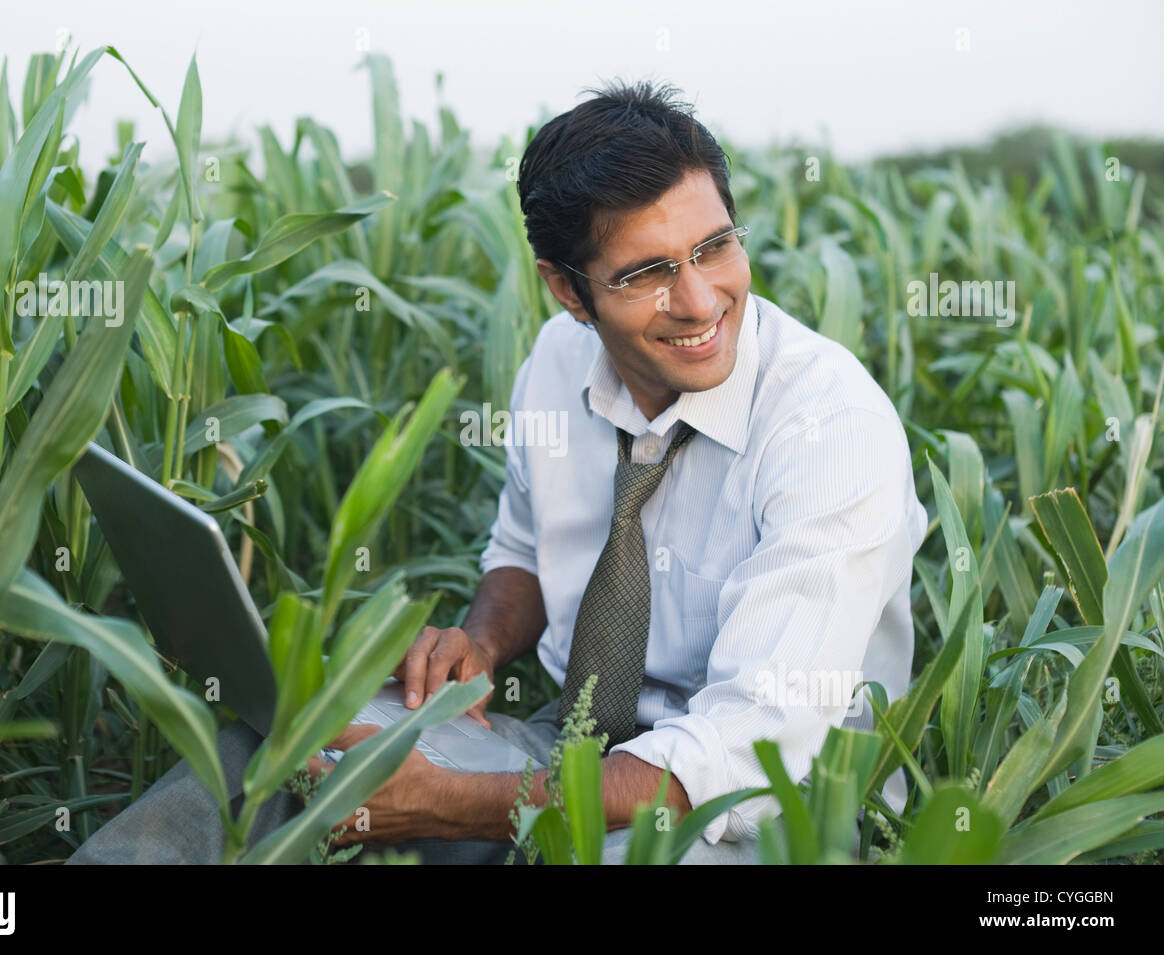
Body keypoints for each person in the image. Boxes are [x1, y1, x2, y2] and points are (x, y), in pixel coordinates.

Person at [68, 77, 927, 866]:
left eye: (713, 248)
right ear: (566, 289)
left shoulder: (829, 428)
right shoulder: (558, 362)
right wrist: (480, 639)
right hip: (574, 750)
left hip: (765, 812)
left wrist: (456, 804)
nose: (699, 300)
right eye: (646, 273)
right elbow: (524, 549)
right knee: (293, 743)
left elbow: (742, 754)